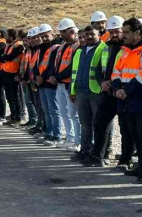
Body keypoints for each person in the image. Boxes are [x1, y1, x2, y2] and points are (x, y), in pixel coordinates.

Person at [111, 18, 142, 184]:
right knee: (133, 134)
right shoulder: (125, 50)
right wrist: (117, 88)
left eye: (126, 32)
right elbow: (116, 71)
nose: (123, 35)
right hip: (126, 98)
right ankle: (141, 166)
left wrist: (126, 90)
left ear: (137, 33)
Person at [94, 16, 127, 167]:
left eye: (117, 32)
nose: (114, 35)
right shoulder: (105, 47)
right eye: (111, 32)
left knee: (126, 128)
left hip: (121, 94)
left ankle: (125, 159)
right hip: (107, 93)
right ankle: (98, 155)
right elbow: (96, 69)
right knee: (100, 124)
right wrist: (102, 81)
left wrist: (114, 86)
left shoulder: (127, 48)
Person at [70, 26, 106, 164]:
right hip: (81, 92)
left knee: (98, 124)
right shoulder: (80, 51)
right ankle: (85, 150)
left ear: (99, 34)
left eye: (92, 34)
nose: (89, 37)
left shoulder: (103, 49)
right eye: (87, 34)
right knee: (85, 124)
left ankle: (97, 154)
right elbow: (75, 73)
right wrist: (72, 91)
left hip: (96, 92)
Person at [53, 19, 80, 150]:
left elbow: (72, 67)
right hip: (60, 84)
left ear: (72, 31)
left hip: (70, 84)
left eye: (64, 32)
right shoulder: (62, 46)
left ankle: (77, 141)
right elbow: (57, 64)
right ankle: (69, 138)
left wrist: (57, 76)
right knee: (64, 112)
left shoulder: (77, 46)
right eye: (61, 32)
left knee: (74, 114)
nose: (62, 34)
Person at [35, 24, 61, 145]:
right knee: (46, 110)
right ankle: (49, 132)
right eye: (42, 36)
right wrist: (36, 76)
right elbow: (36, 64)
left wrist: (43, 77)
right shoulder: (40, 48)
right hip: (41, 83)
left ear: (52, 34)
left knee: (54, 110)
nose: (44, 38)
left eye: (46, 36)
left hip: (50, 82)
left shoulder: (56, 47)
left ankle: (57, 135)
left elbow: (52, 65)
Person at [1, 28, 26, 125]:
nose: (5, 38)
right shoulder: (9, 46)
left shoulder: (18, 46)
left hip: (13, 74)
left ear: (11, 37)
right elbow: (3, 57)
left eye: (7, 36)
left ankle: (17, 117)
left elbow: (9, 57)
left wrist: (5, 58)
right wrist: (4, 58)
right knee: (9, 97)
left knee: (15, 97)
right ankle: (13, 115)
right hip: (6, 73)